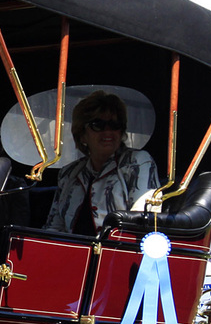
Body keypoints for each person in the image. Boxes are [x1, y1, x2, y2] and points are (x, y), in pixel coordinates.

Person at [44, 90, 159, 233]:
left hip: (115, 251)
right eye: (98, 125)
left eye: (115, 124)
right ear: (82, 135)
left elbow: (143, 220)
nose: (108, 132)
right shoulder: (68, 174)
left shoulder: (137, 162)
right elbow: (54, 227)